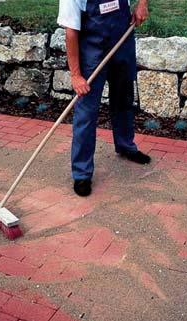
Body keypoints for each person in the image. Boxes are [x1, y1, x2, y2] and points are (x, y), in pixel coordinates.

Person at [57, 0, 150, 197]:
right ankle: (81, 173)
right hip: (92, 51)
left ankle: (126, 146)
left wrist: (142, 4)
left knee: (124, 98)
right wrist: (75, 75)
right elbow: (71, 32)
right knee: (87, 110)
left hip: (121, 42)